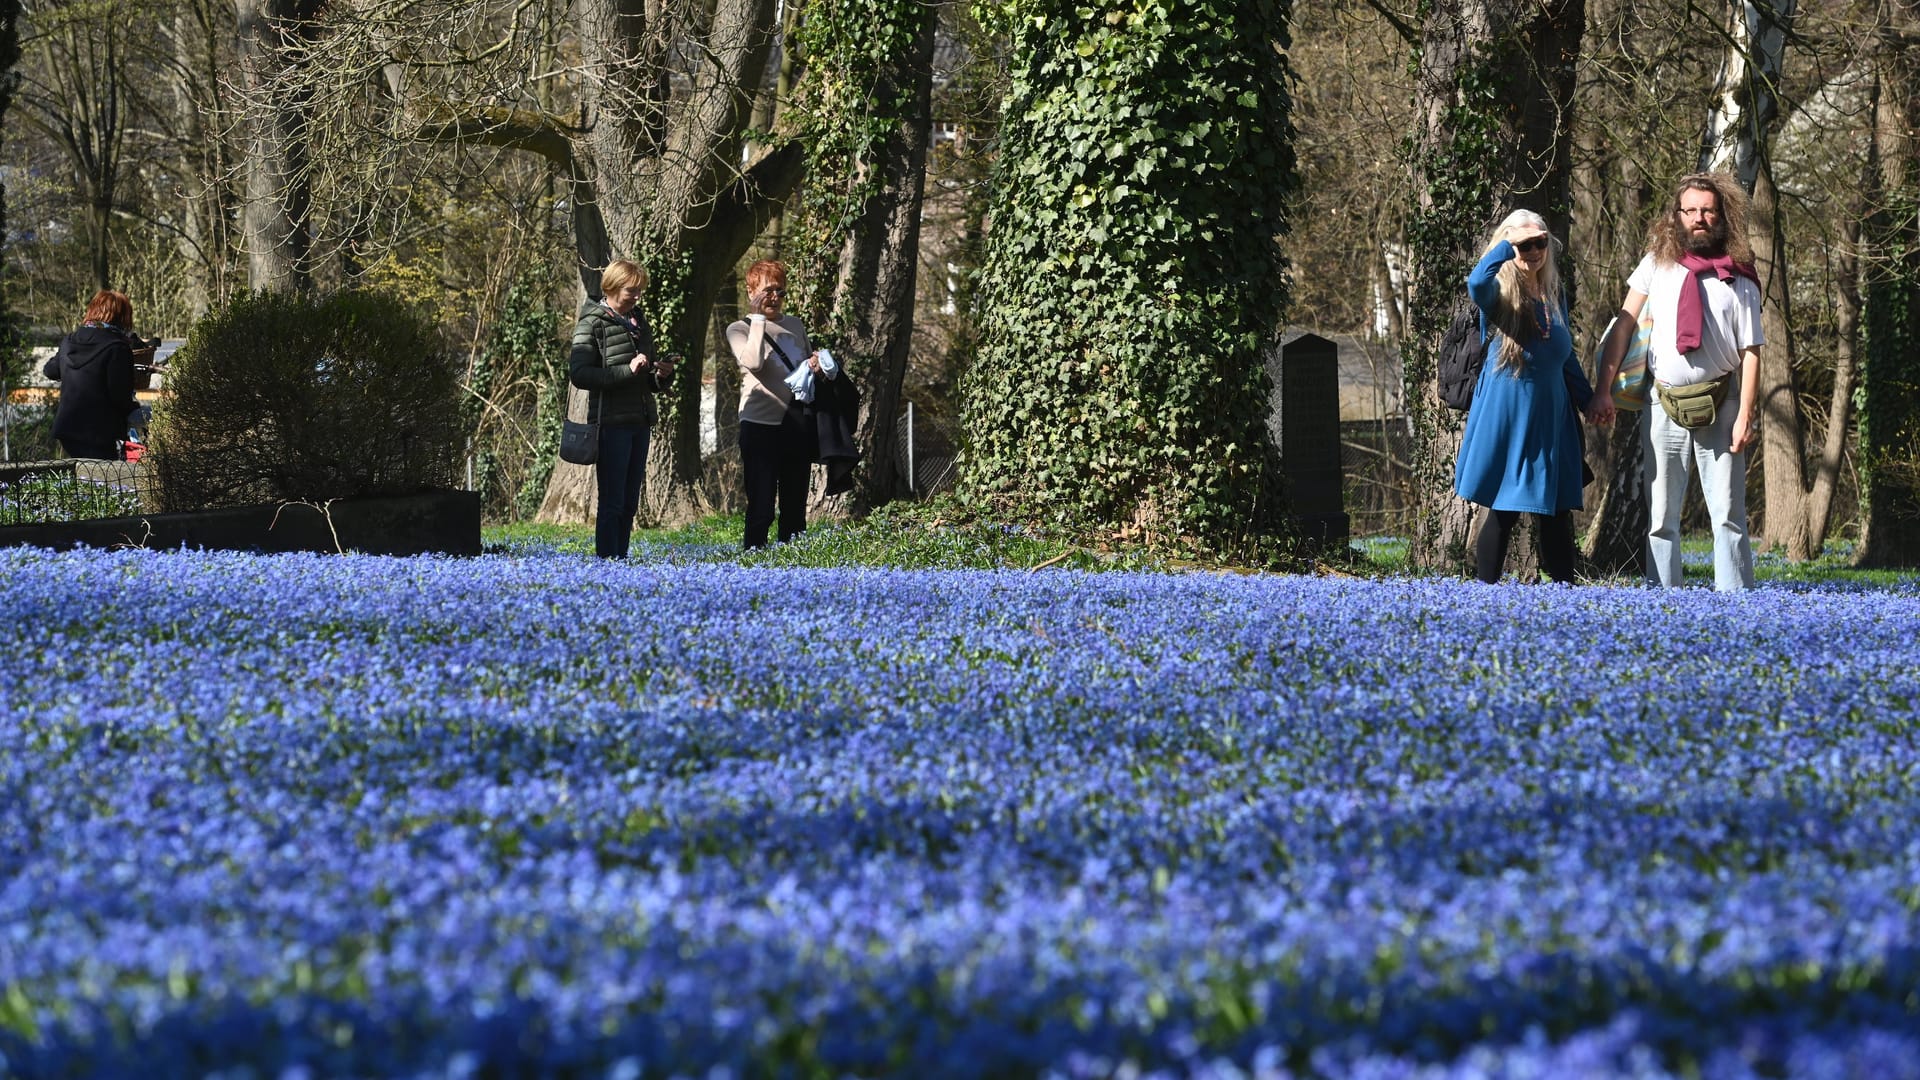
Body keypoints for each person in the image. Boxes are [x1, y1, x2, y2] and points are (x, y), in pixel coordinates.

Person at [1587, 172, 1762, 591]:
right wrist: (1602, 388)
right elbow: (1624, 326)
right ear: (1676, 215)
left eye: (1708, 210)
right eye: (1691, 210)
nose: (1699, 218)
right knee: (1661, 514)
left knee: (1727, 515)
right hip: (1662, 403)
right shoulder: (1655, 264)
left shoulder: (1739, 274)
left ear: (1722, 215)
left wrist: (1746, 415)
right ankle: (1665, 601)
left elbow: (1752, 351)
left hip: (1722, 405)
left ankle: (1736, 604)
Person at [1454, 210, 1593, 584]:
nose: (1533, 251)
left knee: (1557, 508)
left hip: (1552, 413)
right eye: (1524, 244)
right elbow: (1475, 281)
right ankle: (1487, 593)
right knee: (1504, 508)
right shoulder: (1498, 294)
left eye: (1539, 242)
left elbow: (1567, 359)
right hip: (1510, 413)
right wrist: (1507, 245)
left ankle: (1566, 592)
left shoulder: (1553, 293)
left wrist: (1588, 400)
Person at [569, 259, 675, 559]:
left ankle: (621, 559)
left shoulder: (639, 321)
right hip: (610, 423)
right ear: (613, 287)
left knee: (630, 501)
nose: (638, 297)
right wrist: (626, 370)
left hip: (640, 419)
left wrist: (661, 374)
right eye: (632, 291)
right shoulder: (592, 323)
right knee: (613, 500)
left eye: (640, 291)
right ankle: (607, 562)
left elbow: (647, 377)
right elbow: (579, 374)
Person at [725, 259, 835, 549]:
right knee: (761, 502)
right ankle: (754, 556)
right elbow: (753, 362)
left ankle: (792, 558)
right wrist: (758, 319)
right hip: (759, 424)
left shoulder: (795, 325)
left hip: (796, 422)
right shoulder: (738, 329)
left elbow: (806, 369)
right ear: (751, 292)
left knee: (794, 501)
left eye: (780, 291)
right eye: (768, 290)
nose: (774, 297)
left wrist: (816, 364)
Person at [43, 290, 144, 460]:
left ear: (93, 310)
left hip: (68, 429)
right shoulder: (117, 347)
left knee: (83, 479)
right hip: (100, 432)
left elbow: (50, 370)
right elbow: (119, 396)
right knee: (105, 481)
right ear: (122, 317)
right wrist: (135, 408)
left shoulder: (70, 340)